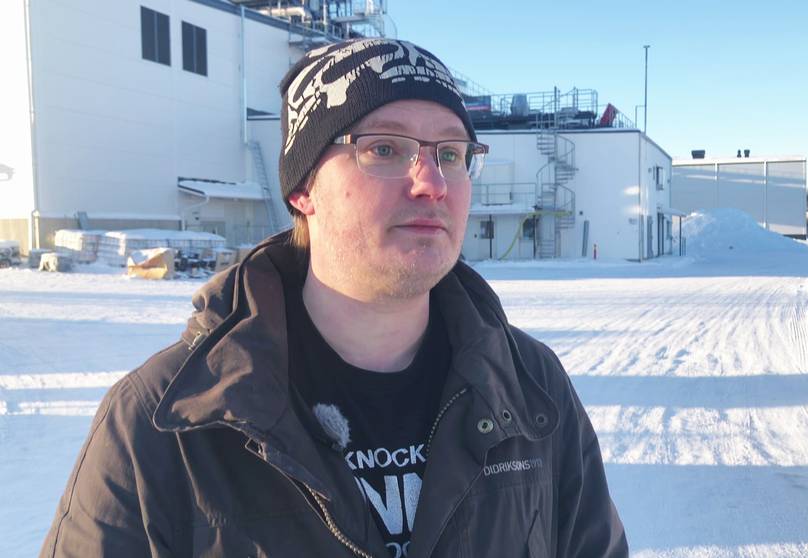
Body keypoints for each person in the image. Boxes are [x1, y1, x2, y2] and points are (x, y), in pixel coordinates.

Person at [41, 38, 628, 558]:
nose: (432, 182)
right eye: (385, 149)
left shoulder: (530, 385)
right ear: (303, 188)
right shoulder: (163, 420)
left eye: (450, 154)